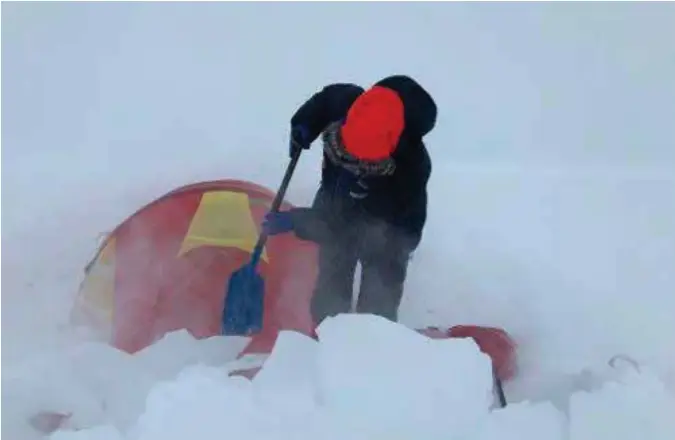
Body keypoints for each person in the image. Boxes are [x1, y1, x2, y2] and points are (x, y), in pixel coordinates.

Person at [262, 75, 437, 326]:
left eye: (363, 164)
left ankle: (375, 346)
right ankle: (325, 334)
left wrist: (297, 221)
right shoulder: (348, 101)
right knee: (331, 282)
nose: (354, 166)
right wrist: (304, 124)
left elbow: (346, 228)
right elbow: (323, 104)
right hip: (334, 201)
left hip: (391, 232)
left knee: (378, 300)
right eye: (348, 157)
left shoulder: (409, 170)